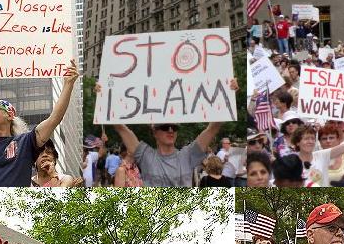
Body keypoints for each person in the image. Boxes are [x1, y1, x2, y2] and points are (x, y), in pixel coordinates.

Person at [95, 79, 239, 187]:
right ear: (154, 132)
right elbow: (121, 128)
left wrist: (228, 95)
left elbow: (213, 128)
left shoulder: (188, 155)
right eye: (165, 126)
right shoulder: (146, 155)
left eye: (174, 127)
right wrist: (103, 98)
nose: (170, 130)